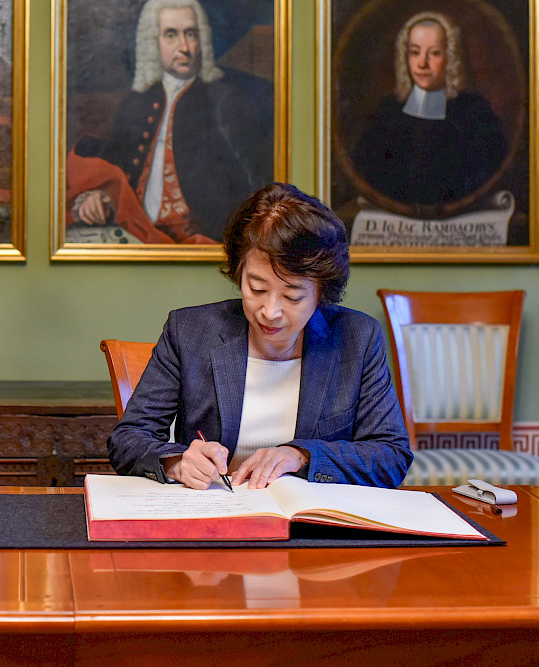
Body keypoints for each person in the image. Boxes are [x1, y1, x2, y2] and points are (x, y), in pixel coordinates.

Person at [108, 182, 412, 490]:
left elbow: (391, 455)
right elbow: (128, 438)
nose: (270, 311)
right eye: (257, 288)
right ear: (239, 271)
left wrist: (301, 456)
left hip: (308, 517)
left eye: (292, 296)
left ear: (321, 292)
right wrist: (176, 462)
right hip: (216, 511)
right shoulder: (189, 332)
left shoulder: (356, 339)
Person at [66, 0, 272, 244]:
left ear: (202, 39)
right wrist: (101, 198)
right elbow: (115, 170)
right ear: (153, 42)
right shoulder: (136, 103)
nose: (184, 47)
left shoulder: (226, 101)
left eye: (191, 34)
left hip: (201, 242)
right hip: (138, 235)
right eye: (171, 35)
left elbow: (259, 183)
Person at [352, 11, 508, 207]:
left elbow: (486, 172)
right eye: (414, 52)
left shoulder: (474, 112)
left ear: (451, 57)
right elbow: (368, 170)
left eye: (434, 53)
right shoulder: (388, 111)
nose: (422, 63)